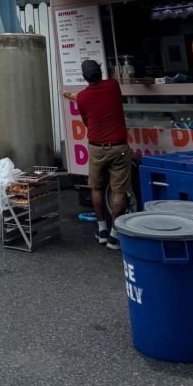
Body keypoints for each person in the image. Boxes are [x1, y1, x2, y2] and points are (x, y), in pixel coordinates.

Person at [63, 59, 131, 250]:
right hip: (119, 147)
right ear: (100, 73)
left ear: (84, 77)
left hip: (96, 147)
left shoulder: (82, 98)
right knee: (119, 191)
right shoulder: (113, 85)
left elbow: (86, 122)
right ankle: (114, 236)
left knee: (96, 187)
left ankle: (101, 229)